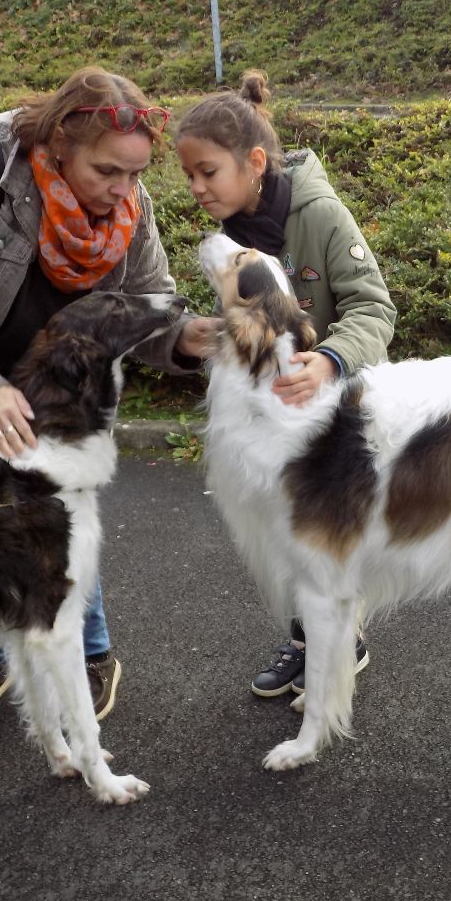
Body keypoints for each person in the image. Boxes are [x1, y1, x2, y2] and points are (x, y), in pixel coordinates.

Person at [0, 66, 218, 733]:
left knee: (56, 517)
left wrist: (186, 338)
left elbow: (142, 303)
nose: (124, 191)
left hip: (44, 383)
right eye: (109, 172)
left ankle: (88, 655)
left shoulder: (127, 206)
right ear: (59, 142)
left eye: (136, 175)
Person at [175, 69, 397, 699]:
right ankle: (309, 634)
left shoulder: (319, 213)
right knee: (283, 537)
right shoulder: (225, 237)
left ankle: (337, 642)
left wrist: (327, 360)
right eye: (188, 175)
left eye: (207, 173)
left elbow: (375, 309)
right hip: (268, 419)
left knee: (320, 536)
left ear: (252, 162)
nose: (195, 188)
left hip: (332, 412)